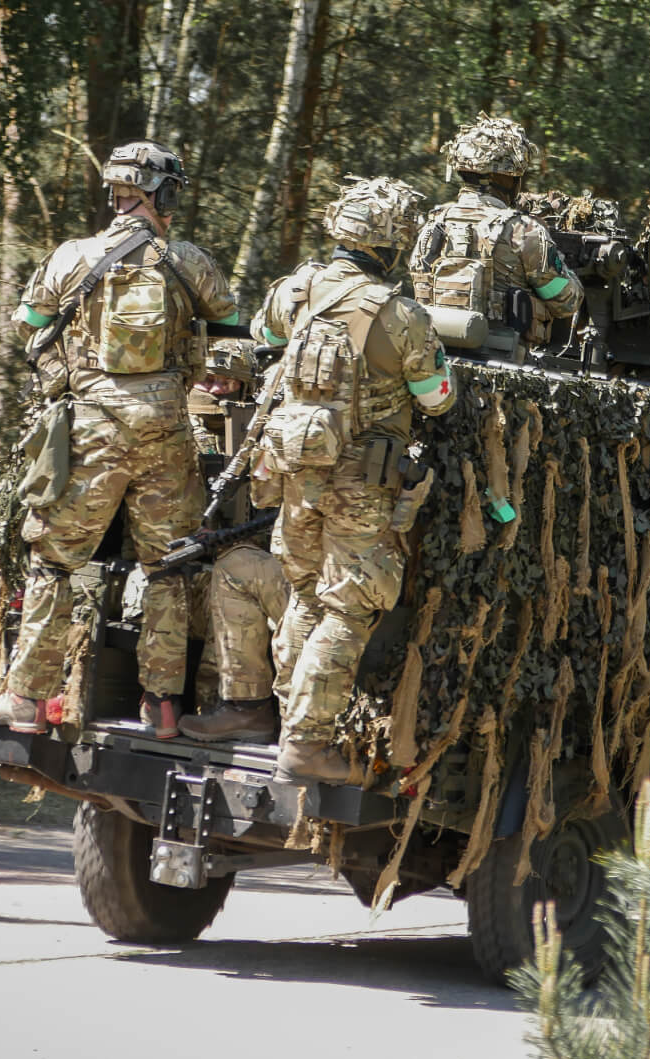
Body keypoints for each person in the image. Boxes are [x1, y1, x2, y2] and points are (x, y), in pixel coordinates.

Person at [0, 139, 238, 737]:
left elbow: (31, 325)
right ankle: (162, 707)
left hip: (90, 429)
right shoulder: (190, 261)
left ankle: (27, 701)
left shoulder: (71, 256)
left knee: (54, 564)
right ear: (164, 194)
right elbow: (233, 341)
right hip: (168, 432)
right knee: (169, 570)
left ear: (116, 193)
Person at [237, 176, 456, 784]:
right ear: (393, 246)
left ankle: (290, 722)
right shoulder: (399, 314)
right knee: (353, 606)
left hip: (294, 478)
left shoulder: (297, 288)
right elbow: (437, 399)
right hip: (362, 483)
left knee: (306, 595)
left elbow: (265, 337)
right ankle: (307, 742)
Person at [179, 339, 290, 742]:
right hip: (188, 568)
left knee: (234, 572)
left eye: (224, 383)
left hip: (247, 569)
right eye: (205, 381)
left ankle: (227, 709)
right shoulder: (174, 435)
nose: (212, 391)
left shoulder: (262, 440)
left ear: (245, 389)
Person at [409, 115, 583, 346]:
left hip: (435, 355)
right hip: (504, 366)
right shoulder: (523, 231)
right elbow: (566, 301)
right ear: (508, 178)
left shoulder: (432, 226)